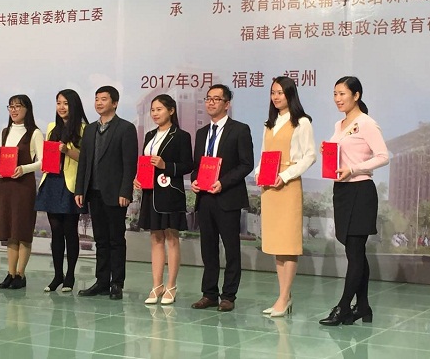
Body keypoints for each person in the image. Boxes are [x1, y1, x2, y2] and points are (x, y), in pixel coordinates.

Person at [319, 76, 389, 326]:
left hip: (361, 191)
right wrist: (328, 152)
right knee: (354, 252)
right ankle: (363, 306)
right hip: (342, 192)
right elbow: (342, 154)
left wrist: (354, 168)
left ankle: (343, 307)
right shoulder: (340, 124)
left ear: (356, 95)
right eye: (335, 94)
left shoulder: (366, 123)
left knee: (355, 252)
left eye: (342, 94)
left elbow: (383, 156)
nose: (338, 99)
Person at [255, 77, 316, 317]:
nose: (276, 97)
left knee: (288, 244)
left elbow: (310, 156)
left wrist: (286, 175)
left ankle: (284, 297)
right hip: (270, 187)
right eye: (273, 93)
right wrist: (259, 173)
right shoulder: (269, 124)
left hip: (287, 185)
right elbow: (264, 154)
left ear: (290, 94)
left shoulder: (302, 122)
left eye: (280, 92)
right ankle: (283, 296)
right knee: (277, 245)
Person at [190, 84, 254, 312]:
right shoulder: (201, 133)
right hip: (205, 198)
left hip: (227, 197)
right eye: (208, 98)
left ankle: (228, 295)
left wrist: (223, 183)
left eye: (216, 99)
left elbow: (246, 164)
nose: (211, 102)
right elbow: (197, 165)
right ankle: (209, 294)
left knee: (231, 248)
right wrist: (195, 180)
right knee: (208, 249)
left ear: (227, 104)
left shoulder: (240, 129)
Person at [74, 86, 138, 300]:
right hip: (93, 191)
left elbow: (129, 164)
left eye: (104, 99)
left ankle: (117, 283)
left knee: (116, 239)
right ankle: (101, 281)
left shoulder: (126, 128)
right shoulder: (90, 129)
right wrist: (80, 189)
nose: (99, 103)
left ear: (115, 103)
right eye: (96, 99)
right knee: (100, 239)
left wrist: (125, 191)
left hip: (115, 193)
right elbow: (84, 162)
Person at [134, 95, 193, 305]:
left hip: (170, 192)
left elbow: (187, 165)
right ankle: (156, 285)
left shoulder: (181, 136)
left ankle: (171, 285)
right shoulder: (150, 135)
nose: (155, 113)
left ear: (171, 110)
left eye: (159, 109)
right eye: (153, 110)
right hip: (150, 192)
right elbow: (144, 163)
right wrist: (138, 178)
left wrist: (165, 165)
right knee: (155, 238)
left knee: (171, 238)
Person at [35, 89, 89, 293]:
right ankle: (57, 275)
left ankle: (70, 276)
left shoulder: (84, 129)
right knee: (55, 231)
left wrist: (67, 150)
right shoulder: (51, 127)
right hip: (52, 180)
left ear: (74, 105)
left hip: (70, 184)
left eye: (65, 103)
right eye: (58, 103)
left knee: (70, 231)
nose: (61, 107)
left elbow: (85, 159)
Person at [0, 94, 43, 290]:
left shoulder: (35, 133)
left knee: (22, 231)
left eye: (18, 106)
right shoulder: (5, 132)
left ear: (27, 109)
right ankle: (10, 273)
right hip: (5, 186)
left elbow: (43, 162)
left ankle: (21, 275)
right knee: (10, 232)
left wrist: (24, 168)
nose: (14, 110)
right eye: (11, 107)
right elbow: (1, 157)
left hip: (24, 186)